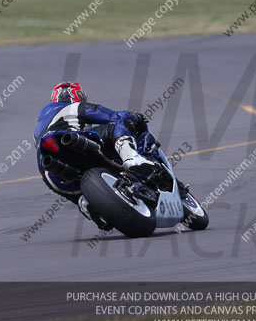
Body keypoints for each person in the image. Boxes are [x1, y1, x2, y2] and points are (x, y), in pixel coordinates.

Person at [34, 81, 167, 230]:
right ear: (79, 95)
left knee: (80, 197)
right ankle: (132, 159)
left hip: (49, 173)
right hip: (72, 141)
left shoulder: (40, 124)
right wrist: (133, 117)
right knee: (119, 123)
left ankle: (86, 204)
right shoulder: (73, 107)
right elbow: (112, 116)